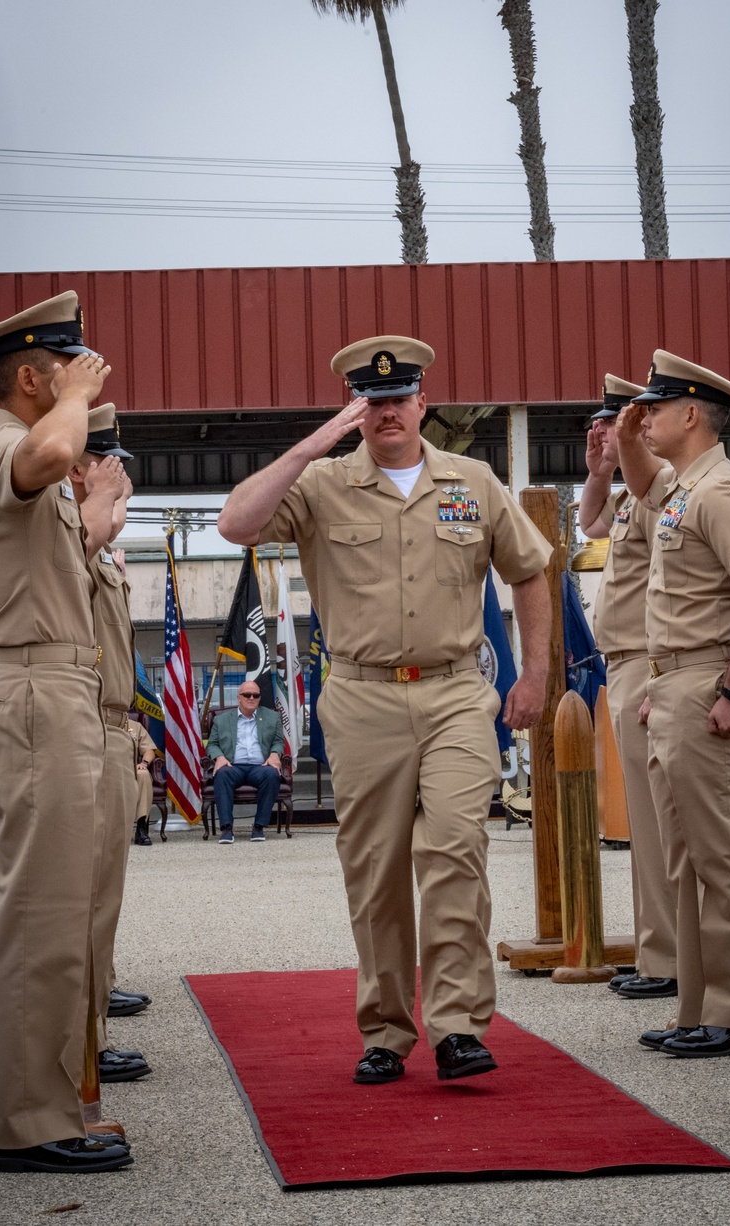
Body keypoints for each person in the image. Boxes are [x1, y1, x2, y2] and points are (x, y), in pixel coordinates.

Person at [217, 335, 551, 1083]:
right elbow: (237, 525)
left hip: (458, 692)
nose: (387, 411)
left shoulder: (473, 480)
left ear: (423, 402)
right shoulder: (322, 483)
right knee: (374, 871)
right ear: (354, 411)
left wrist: (535, 673)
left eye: (399, 397)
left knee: (456, 849)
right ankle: (386, 1031)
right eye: (371, 402)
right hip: (363, 696)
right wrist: (310, 447)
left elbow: (530, 570)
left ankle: (459, 1026)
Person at [0, 291, 132, 1173]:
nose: (87, 381)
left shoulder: (27, 453)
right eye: (69, 366)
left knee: (65, 917)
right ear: (31, 376)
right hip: (31, 694)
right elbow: (56, 446)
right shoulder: (0, 450)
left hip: (61, 688)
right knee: (36, 920)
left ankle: (53, 1103)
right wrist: (74, 399)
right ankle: (26, 1125)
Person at [615, 350, 730, 1058]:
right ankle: (699, 1009)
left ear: (691, 415)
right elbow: (645, 485)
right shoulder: (686, 485)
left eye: (655, 408)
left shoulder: (722, 492)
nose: (644, 417)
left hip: (714, 683)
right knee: (686, 858)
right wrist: (625, 438)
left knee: (722, 857)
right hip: (677, 684)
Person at [579, 375, 677, 1001]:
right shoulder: (633, 490)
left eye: (612, 425)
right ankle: (655, 950)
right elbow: (590, 523)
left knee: (660, 823)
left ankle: (668, 959)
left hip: (651, 658)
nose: (603, 434)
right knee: (643, 824)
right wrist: (597, 469)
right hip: (625, 660)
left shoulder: (665, 485)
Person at [67, 404, 152, 1084]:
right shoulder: (66, 535)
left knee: (103, 900)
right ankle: (81, 1045)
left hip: (113, 726)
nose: (120, 473)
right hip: (82, 724)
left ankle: (91, 1030)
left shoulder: (96, 537)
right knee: (82, 901)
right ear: (78, 468)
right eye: (107, 460)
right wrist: (98, 519)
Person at [205, 681, 284, 843]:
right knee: (222, 774)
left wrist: (275, 753)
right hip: (232, 766)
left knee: (272, 774)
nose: (251, 698)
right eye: (247, 695)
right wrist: (219, 757)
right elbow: (212, 744)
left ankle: (259, 827)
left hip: (260, 767)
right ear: (239, 698)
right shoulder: (221, 720)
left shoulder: (272, 717)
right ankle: (226, 829)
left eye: (256, 695)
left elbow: (278, 741)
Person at [128, 716, 158, 845]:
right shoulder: (99, 721)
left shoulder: (135, 726)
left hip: (131, 768)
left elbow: (149, 750)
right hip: (107, 768)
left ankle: (141, 827)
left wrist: (144, 763)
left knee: (144, 774)